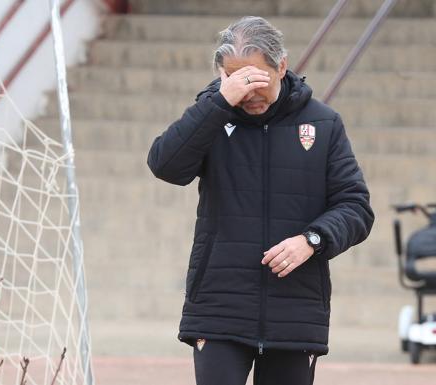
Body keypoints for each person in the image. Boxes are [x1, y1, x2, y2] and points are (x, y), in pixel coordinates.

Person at [147, 16, 374, 385]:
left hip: (295, 310)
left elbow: (356, 207)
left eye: (255, 79)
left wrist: (312, 241)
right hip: (219, 307)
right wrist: (218, 103)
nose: (247, 91)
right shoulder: (212, 115)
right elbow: (166, 166)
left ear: (281, 66)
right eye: (235, 79)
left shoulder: (323, 123)